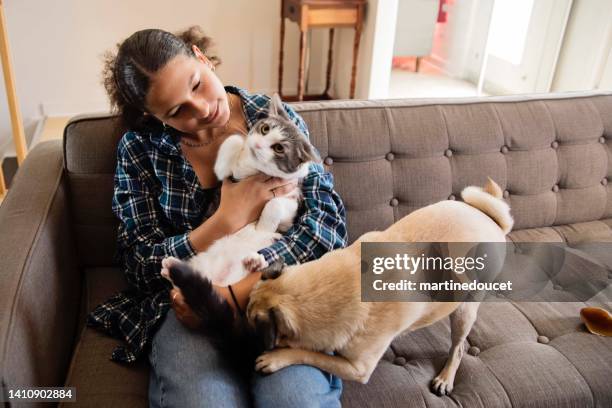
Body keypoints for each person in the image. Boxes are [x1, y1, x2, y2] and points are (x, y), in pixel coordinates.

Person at [87, 26, 348, 407]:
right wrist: (225, 220)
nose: (203, 109)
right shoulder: (140, 149)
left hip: (278, 292)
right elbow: (138, 263)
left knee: (296, 399)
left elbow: (327, 227)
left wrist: (232, 295)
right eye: (178, 111)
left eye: (197, 84)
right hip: (188, 309)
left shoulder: (269, 117)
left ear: (202, 58)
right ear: (153, 115)